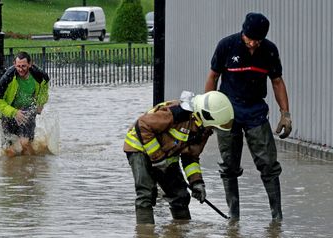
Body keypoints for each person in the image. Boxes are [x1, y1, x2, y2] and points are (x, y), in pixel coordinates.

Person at [204, 12, 292, 220]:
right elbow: (213, 77)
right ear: (243, 33)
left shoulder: (269, 51)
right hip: (228, 110)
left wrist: (285, 113)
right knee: (229, 165)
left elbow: (277, 81)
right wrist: (208, 112)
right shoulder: (226, 46)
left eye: (257, 40)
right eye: (249, 39)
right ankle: (233, 216)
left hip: (255, 111)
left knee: (269, 164)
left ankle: (276, 217)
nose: (253, 44)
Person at [124, 91, 234, 224]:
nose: (212, 130)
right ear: (205, 116)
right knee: (146, 194)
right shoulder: (177, 113)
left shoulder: (204, 129)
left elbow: (190, 157)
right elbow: (143, 125)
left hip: (167, 154)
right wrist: (158, 158)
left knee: (180, 196)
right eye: (212, 126)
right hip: (139, 147)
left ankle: (180, 234)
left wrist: (196, 182)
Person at [0, 51, 50, 155]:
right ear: (14, 64)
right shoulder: (8, 77)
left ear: (30, 64)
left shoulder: (40, 76)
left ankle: (31, 165)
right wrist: (14, 112)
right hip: (9, 111)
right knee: (9, 151)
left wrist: (40, 103)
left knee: (25, 143)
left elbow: (44, 89)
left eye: (24, 66)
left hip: (28, 110)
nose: (21, 69)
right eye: (18, 66)